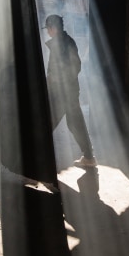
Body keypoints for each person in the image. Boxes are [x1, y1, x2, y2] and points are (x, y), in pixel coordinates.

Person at [42, 14, 96, 167]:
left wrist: (55, 79)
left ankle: (38, 159)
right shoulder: (65, 42)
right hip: (69, 92)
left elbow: (75, 66)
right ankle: (89, 157)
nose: (48, 32)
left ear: (53, 28)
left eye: (48, 29)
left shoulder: (63, 44)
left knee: (48, 123)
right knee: (75, 123)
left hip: (62, 93)